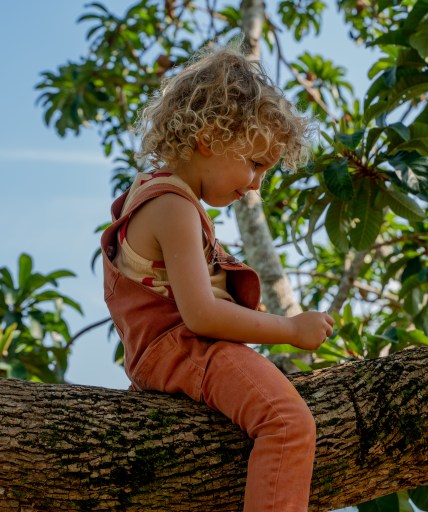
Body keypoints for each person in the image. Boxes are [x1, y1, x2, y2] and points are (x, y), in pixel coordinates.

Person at [100, 45, 335, 512]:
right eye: (255, 164)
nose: (255, 185)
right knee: (288, 423)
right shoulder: (172, 205)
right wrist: (290, 330)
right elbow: (202, 315)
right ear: (209, 138)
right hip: (185, 348)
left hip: (169, 354)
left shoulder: (156, 195)